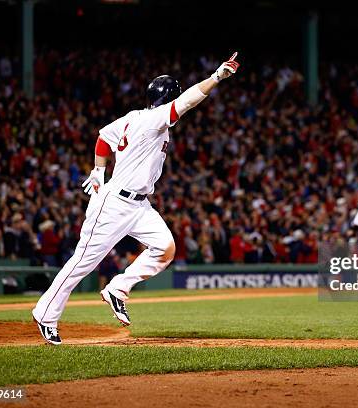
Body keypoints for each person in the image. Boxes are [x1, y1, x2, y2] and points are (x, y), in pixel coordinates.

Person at [32, 53, 240, 345]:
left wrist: (98, 169)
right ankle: (46, 314)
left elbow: (104, 137)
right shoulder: (155, 119)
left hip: (139, 205)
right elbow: (190, 100)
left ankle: (118, 288)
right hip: (114, 203)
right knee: (83, 262)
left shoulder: (134, 117)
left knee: (165, 247)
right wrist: (217, 77)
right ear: (168, 98)